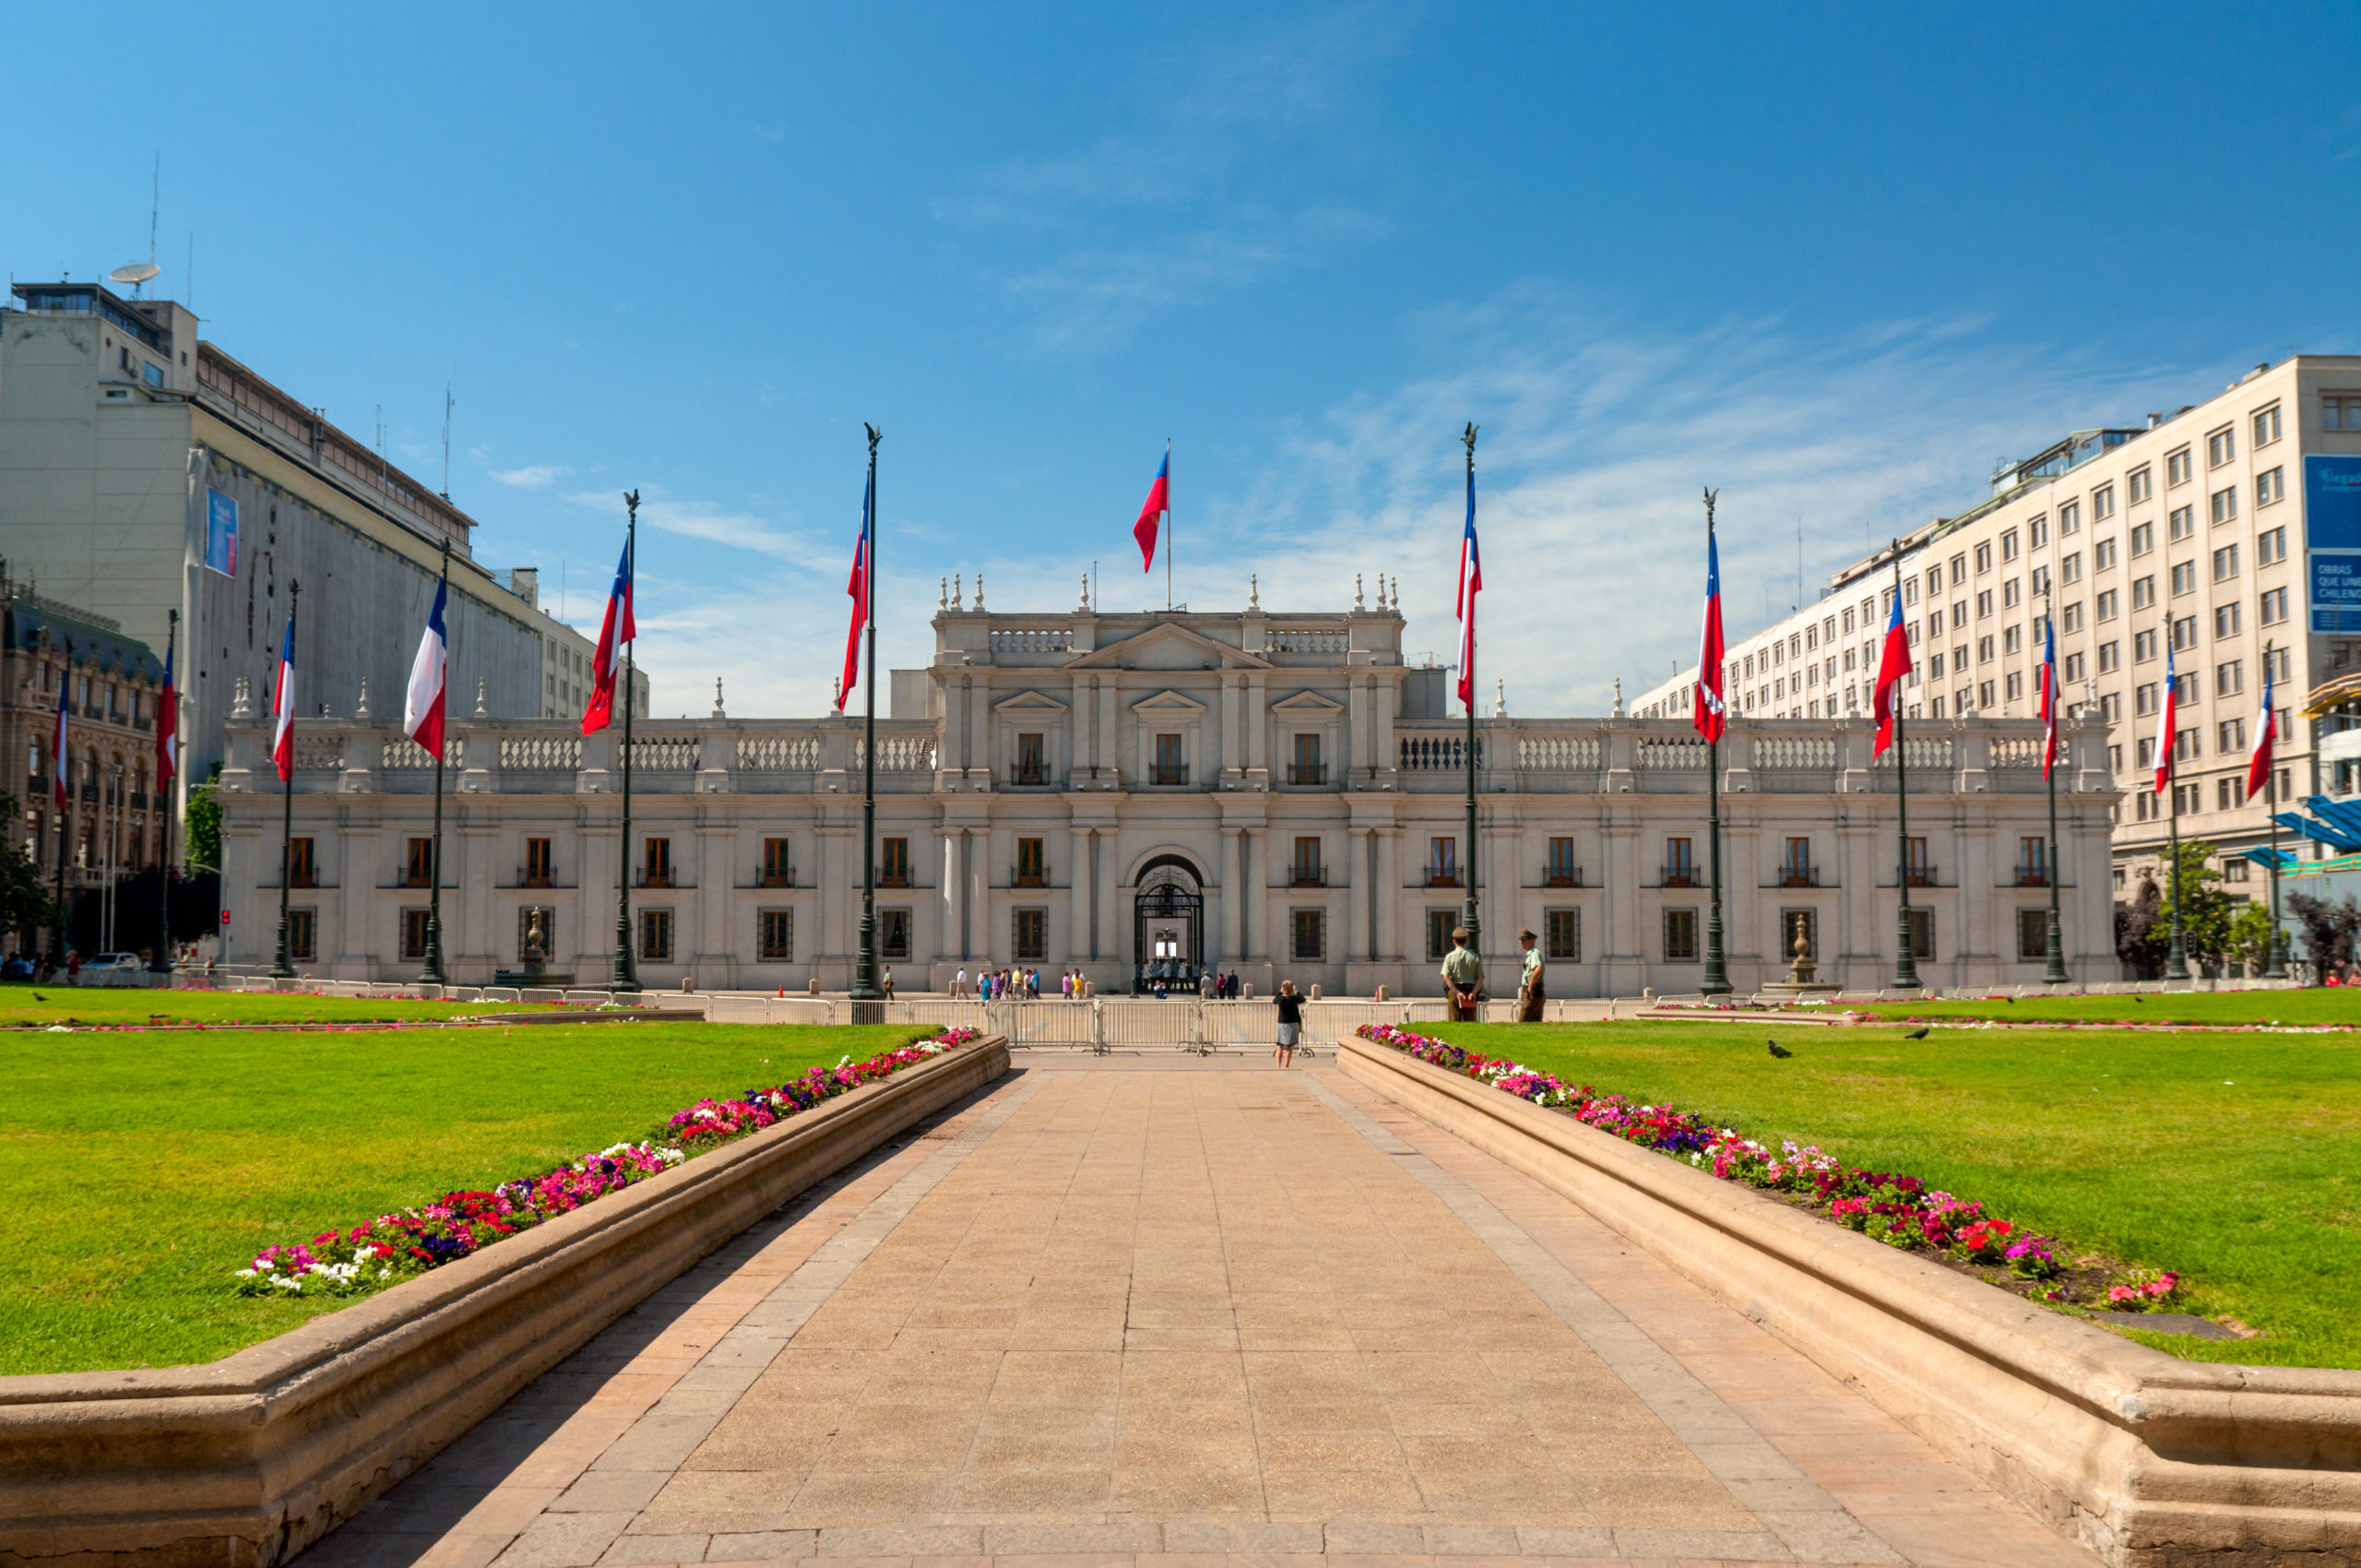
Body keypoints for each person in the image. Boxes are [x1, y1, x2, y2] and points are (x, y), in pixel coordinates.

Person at [1441, 927, 1481, 1020]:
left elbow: (1446, 977)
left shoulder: (1449, 957)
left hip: (1455, 992)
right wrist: (1474, 993)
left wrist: (1457, 992)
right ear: (1466, 941)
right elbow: (1481, 977)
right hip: (1470, 992)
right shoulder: (1474, 957)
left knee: (1454, 1022)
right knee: (1470, 1024)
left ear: (1454, 941)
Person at [1515, 927, 1545, 1022]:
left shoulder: (1534, 953)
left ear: (1532, 941)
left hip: (1533, 993)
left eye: (1524, 940)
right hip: (1535, 992)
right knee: (1535, 1024)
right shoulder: (1531, 953)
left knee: (1522, 1022)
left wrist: (1531, 985)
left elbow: (1538, 968)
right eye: (1521, 940)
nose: (1521, 942)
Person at [1275, 980, 1302, 1066]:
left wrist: (1280, 991)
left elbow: (1274, 1001)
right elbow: (1303, 999)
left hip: (1282, 1023)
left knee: (1279, 1045)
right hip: (1292, 1024)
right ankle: (1286, 1065)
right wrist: (1296, 991)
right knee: (1290, 1047)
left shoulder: (1280, 999)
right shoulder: (1294, 999)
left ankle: (1278, 1065)